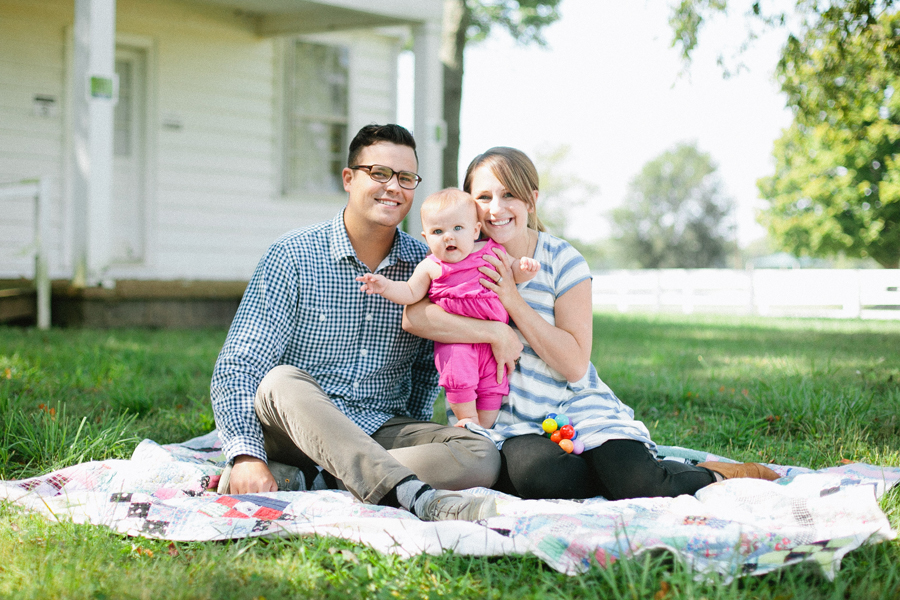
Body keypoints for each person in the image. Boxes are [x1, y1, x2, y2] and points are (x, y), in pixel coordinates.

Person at [402, 146, 779, 501]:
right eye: (484, 197)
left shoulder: (561, 260)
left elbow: (574, 365)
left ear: (531, 200)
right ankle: (619, 472)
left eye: (509, 195)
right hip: (503, 417)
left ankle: (712, 474)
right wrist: (495, 332)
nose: (496, 209)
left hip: (574, 404)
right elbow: (414, 316)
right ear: (469, 203)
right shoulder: (452, 254)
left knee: (636, 481)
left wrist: (512, 299)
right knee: (537, 475)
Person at [210, 124, 500, 522]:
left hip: (378, 426)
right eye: (379, 173)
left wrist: (496, 331)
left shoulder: (429, 264)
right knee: (280, 379)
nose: (393, 187)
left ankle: (317, 480)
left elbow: (424, 369)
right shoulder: (292, 255)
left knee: (480, 453)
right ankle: (415, 495)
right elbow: (239, 365)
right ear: (348, 178)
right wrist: (246, 456)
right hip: (296, 427)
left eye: (406, 178)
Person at [356, 188, 540, 429]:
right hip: (456, 340)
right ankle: (468, 421)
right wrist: (386, 286)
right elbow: (410, 292)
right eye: (438, 232)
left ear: (475, 230)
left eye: (458, 228)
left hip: (492, 346)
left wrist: (524, 268)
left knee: (493, 385)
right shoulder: (431, 266)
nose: (448, 237)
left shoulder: (491, 251)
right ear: (426, 237)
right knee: (459, 380)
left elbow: (513, 272)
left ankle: (486, 429)